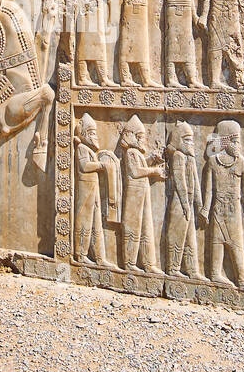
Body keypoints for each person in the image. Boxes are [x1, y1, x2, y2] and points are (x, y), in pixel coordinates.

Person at [200, 120, 244, 289]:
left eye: (239, 142)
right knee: (217, 241)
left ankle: (241, 278)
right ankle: (215, 274)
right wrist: (205, 210)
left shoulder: (242, 162)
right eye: (235, 141)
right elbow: (209, 190)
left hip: (234, 210)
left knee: (236, 243)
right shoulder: (213, 162)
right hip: (218, 209)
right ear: (225, 141)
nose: (238, 145)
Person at [119, 115, 165, 274]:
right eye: (141, 137)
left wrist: (152, 158)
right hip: (135, 192)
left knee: (146, 227)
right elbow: (136, 171)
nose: (144, 140)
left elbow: (141, 164)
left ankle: (148, 263)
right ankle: (130, 262)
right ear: (134, 137)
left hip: (142, 191)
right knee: (133, 227)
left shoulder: (136, 153)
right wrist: (154, 170)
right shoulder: (131, 152)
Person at [74, 114, 119, 268]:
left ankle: (99, 258)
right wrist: (102, 166)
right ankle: (81, 254)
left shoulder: (90, 150)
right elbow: (84, 166)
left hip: (93, 189)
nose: (95, 136)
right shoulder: (81, 148)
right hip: (85, 189)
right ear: (84, 134)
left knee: (96, 223)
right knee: (85, 221)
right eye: (92, 133)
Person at [164, 121, 207, 280]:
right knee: (177, 235)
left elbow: (195, 184)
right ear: (179, 140)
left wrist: (200, 206)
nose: (191, 143)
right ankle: (173, 268)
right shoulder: (178, 156)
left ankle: (192, 270)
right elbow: (179, 181)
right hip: (179, 202)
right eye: (187, 140)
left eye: (192, 140)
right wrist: (185, 205)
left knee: (190, 239)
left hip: (187, 203)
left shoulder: (189, 158)